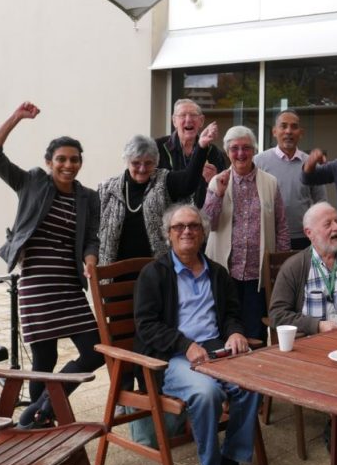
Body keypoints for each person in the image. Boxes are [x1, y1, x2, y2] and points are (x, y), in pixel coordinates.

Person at [0, 102, 103, 428]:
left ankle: (43, 406)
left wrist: (91, 259)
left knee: (97, 351)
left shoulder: (88, 197)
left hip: (69, 287)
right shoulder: (32, 182)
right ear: (49, 163)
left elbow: (92, 238)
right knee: (43, 360)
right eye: (61, 159)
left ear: (80, 163)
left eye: (74, 159)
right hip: (36, 285)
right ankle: (37, 423)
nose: (68, 164)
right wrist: (16, 118)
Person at [133, 204, 258, 465]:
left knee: (253, 382)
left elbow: (231, 314)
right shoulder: (153, 274)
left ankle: (231, 459)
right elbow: (146, 325)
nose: (187, 231)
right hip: (174, 357)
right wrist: (184, 345)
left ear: (203, 233)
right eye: (179, 227)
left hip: (218, 348)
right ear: (168, 235)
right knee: (206, 393)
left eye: (193, 226)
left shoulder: (217, 272)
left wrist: (236, 333)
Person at [203, 126, 290, 340]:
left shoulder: (270, 182)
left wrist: (280, 268)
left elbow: (281, 227)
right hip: (225, 271)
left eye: (246, 148)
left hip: (258, 274)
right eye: (234, 148)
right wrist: (218, 195)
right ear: (227, 152)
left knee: (255, 332)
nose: (240, 154)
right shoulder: (218, 181)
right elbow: (208, 225)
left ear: (254, 150)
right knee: (224, 329)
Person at [98, 128, 218, 265]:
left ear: (155, 162)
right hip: (114, 272)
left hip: (157, 271)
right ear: (127, 161)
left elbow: (188, 181)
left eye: (148, 163)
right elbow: (93, 231)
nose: (142, 169)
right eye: (136, 163)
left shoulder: (164, 180)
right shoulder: (107, 189)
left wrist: (201, 147)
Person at [268, 202, 337, 334]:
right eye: (328, 224)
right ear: (309, 233)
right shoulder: (293, 267)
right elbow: (277, 315)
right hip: (313, 342)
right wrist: (317, 326)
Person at [254, 110, 327, 250]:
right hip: (269, 236)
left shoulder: (310, 164)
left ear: (301, 132)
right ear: (274, 131)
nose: (289, 131)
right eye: (283, 126)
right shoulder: (258, 162)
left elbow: (321, 201)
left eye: (294, 127)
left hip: (304, 237)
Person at [156, 99, 226, 207]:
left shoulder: (214, 152)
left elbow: (225, 193)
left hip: (201, 219)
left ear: (201, 121)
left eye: (193, 115)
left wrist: (214, 180)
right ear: (174, 121)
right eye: (183, 115)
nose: (188, 120)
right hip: (167, 217)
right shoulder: (158, 148)